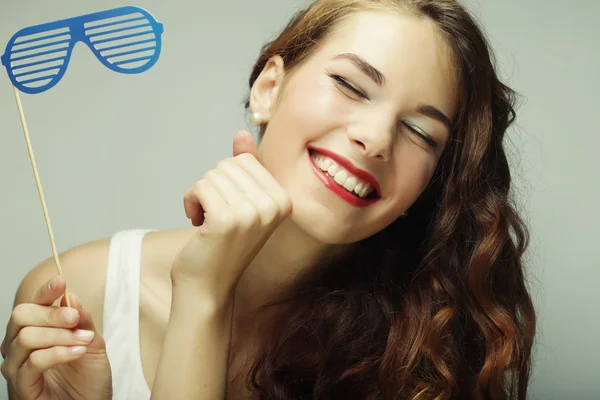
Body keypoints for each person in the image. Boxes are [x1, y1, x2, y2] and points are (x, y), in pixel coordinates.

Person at [0, 0, 537, 398]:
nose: (375, 139)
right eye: (351, 86)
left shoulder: (426, 349)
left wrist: (204, 293)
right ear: (268, 89)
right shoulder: (75, 298)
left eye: (420, 133)